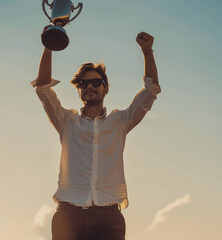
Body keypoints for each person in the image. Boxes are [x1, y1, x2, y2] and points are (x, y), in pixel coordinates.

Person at [31, 31, 161, 240]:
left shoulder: (120, 122)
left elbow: (151, 90)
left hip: (108, 218)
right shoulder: (66, 121)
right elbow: (43, 89)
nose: (89, 86)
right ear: (79, 90)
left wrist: (147, 52)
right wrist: (50, 42)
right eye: (84, 84)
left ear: (105, 87)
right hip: (68, 215)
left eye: (95, 82)